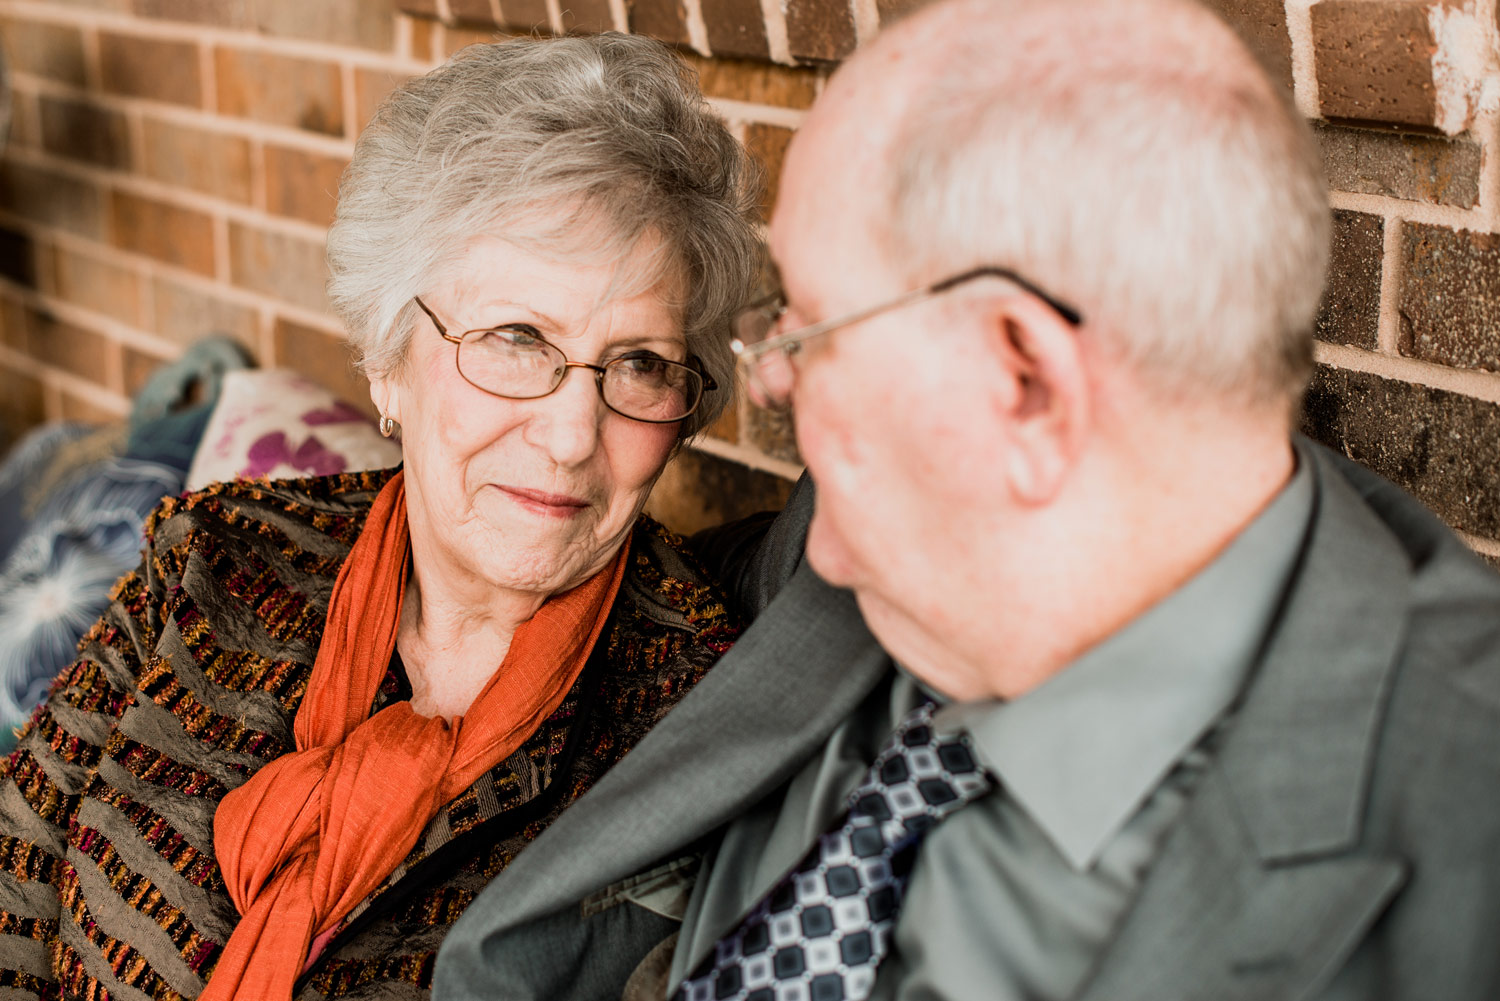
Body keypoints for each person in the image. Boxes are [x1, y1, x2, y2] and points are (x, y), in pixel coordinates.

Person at [433, 1, 1500, 999]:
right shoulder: (898, 536)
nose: (766, 378)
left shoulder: (1453, 858)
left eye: (807, 335)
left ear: (1022, 383)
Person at [0, 33, 760, 1001]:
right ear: (389, 359)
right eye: (518, 339)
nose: (573, 434)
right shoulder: (215, 558)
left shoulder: (698, 721)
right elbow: (15, 881)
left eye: (641, 364)